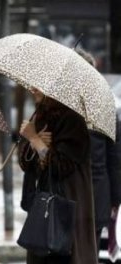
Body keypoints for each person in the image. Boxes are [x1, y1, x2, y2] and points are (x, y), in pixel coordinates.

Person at [18, 88, 98, 264]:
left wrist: (35, 140)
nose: (32, 89)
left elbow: (60, 166)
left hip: (67, 205)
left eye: (38, 85)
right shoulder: (40, 116)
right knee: (44, 261)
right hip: (45, 205)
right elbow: (31, 165)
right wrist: (31, 143)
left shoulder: (72, 119)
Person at [75, 48, 121, 252]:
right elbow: (115, 159)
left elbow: (115, 158)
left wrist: (116, 199)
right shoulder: (105, 107)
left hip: (85, 196)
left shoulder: (102, 108)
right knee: (86, 258)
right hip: (93, 196)